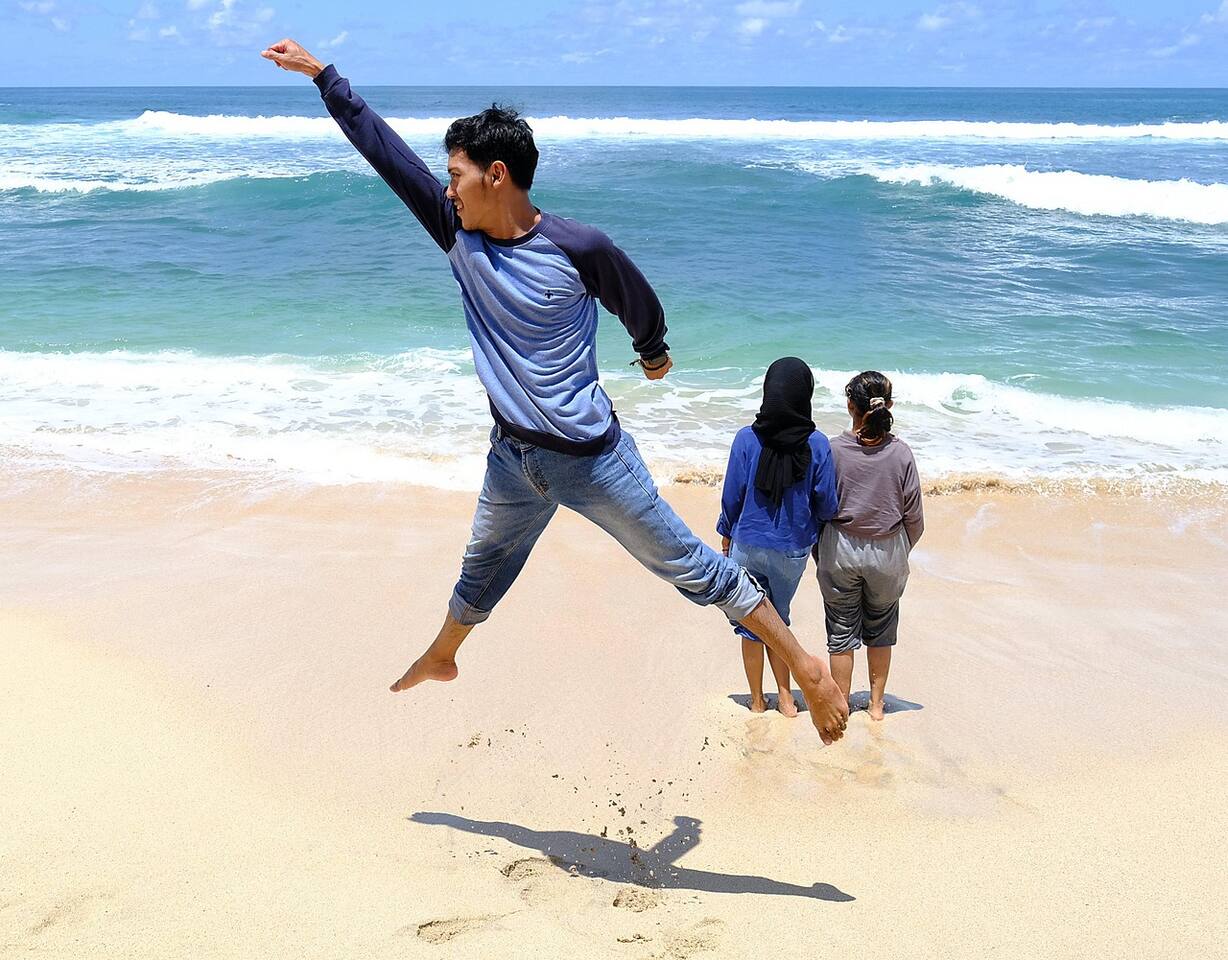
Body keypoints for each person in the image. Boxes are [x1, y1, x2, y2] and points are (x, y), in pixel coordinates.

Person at [259, 39, 849, 743]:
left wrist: (653, 350)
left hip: (591, 460)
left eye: (457, 175)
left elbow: (636, 298)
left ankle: (805, 666)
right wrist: (324, 77)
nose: (447, 189)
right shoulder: (456, 235)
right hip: (513, 458)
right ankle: (443, 655)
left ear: (496, 175)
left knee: (689, 565)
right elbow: (387, 157)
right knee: (483, 563)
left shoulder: (577, 247)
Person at [717, 358, 838, 717]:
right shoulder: (818, 444)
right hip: (792, 549)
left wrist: (726, 535)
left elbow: (732, 495)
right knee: (778, 620)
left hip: (747, 543)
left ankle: (757, 700)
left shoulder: (746, 438)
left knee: (751, 621)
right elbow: (826, 503)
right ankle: (786, 699)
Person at [818, 371, 924, 721]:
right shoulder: (901, 453)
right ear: (888, 406)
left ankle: (842, 706)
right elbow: (914, 518)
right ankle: (877, 707)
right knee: (881, 629)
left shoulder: (832, 450)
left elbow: (818, 507)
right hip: (887, 550)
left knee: (841, 631)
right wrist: (897, 552)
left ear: (850, 405)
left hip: (840, 548)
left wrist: (823, 551)